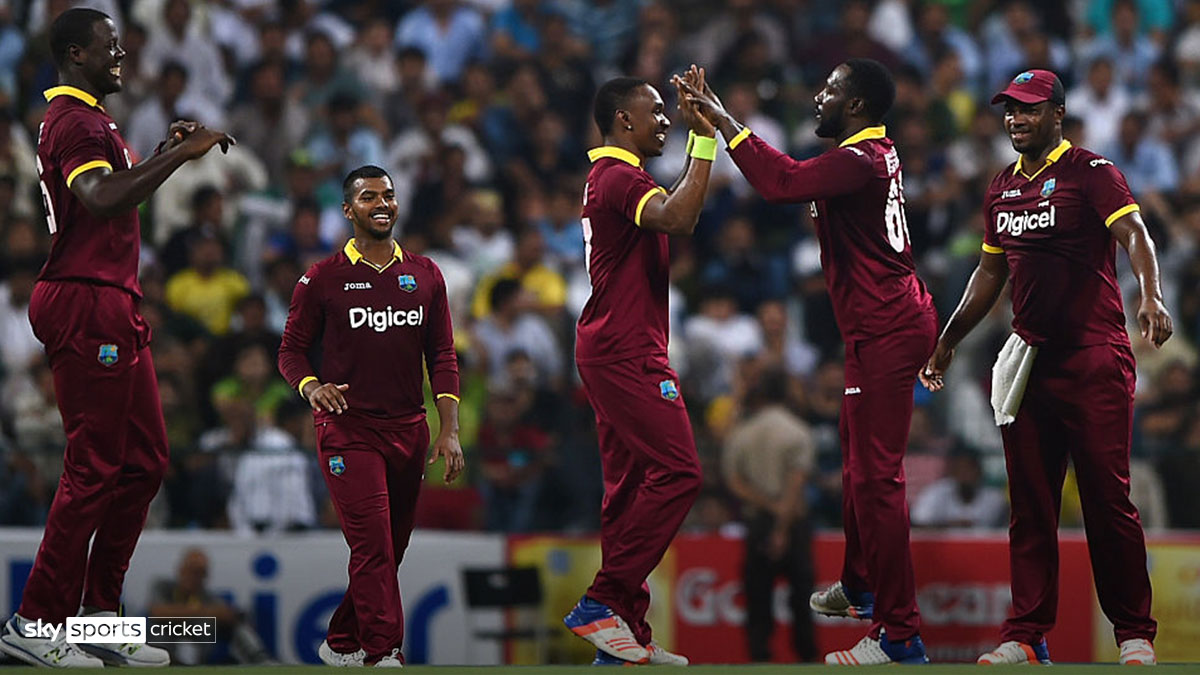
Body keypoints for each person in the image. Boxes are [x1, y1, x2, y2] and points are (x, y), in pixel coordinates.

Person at [681, 59, 936, 665]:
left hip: (888, 327)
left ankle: (899, 634)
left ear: (856, 106)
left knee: (878, 478)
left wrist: (721, 120)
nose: (817, 96)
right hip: (874, 326)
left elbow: (782, 183)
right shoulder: (867, 156)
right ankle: (860, 585)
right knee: (854, 461)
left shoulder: (858, 159)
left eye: (829, 88)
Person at [0, 7, 233, 669]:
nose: (121, 54)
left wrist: (162, 154)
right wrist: (178, 159)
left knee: (145, 461)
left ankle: (98, 620)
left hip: (111, 298)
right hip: (84, 297)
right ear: (76, 54)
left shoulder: (94, 120)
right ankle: (35, 618)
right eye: (109, 46)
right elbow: (101, 199)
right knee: (95, 463)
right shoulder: (72, 119)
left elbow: (105, 197)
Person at [920, 69, 1170, 667]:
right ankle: (1025, 635)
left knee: (1108, 499)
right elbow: (989, 272)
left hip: (1094, 358)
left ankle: (1134, 633)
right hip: (1030, 361)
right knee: (1029, 503)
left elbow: (1135, 232)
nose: (1016, 119)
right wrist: (948, 338)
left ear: (1058, 113)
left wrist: (1152, 294)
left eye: (1029, 110)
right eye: (1009, 110)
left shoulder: (1091, 172)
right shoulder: (1001, 187)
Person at [277, 165, 464, 668]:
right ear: (347, 209)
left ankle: (342, 640)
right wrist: (312, 386)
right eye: (367, 197)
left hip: (409, 430)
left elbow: (443, 356)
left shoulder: (425, 274)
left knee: (387, 551)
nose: (381, 204)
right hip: (348, 431)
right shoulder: (322, 277)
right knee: (374, 547)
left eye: (388, 195)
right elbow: (290, 351)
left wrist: (448, 429)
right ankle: (384, 653)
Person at [561, 71, 715, 667]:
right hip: (626, 349)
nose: (666, 119)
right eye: (656, 111)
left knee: (627, 492)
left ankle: (623, 635)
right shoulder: (620, 177)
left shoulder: (615, 177)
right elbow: (680, 218)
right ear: (624, 119)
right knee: (680, 473)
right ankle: (603, 602)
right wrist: (705, 140)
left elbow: (670, 208)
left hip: (613, 344)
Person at [721, 369, 817, 662]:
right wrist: (783, 525)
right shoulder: (798, 431)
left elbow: (735, 482)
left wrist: (769, 509)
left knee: (758, 597)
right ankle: (807, 659)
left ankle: (759, 658)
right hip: (795, 523)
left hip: (758, 522)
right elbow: (796, 482)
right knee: (802, 598)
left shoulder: (741, 433)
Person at [146, 548, 272, 665]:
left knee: (236, 627)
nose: (195, 577)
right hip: (164, 641)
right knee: (149, 628)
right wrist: (204, 612)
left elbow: (226, 614)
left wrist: (225, 616)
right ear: (180, 570)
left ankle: (260, 659)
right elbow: (158, 612)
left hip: (199, 642)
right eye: (192, 570)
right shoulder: (162, 587)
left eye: (200, 573)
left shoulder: (208, 597)